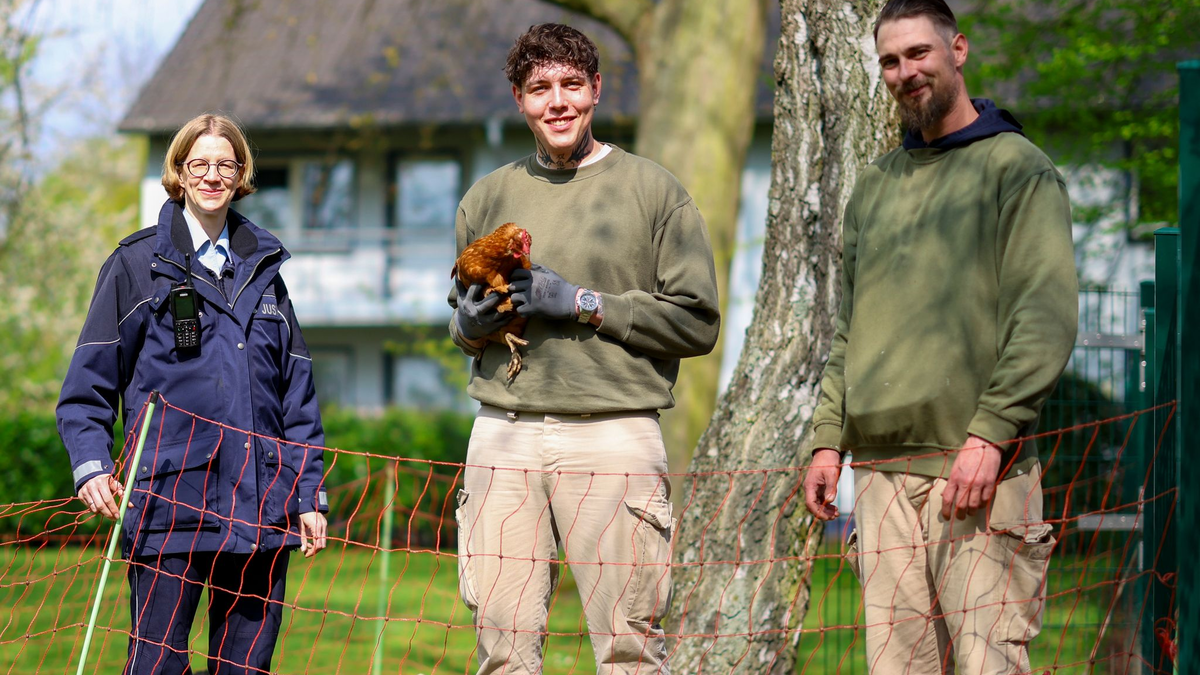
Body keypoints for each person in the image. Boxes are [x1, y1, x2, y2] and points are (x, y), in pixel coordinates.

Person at [800, 1, 1078, 672]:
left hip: (980, 473)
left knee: (990, 664)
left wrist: (992, 432)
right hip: (883, 479)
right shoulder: (875, 187)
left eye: (919, 53)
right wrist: (826, 438)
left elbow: (1045, 316)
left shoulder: (1018, 169)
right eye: (891, 61)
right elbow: (850, 329)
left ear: (958, 50)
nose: (905, 72)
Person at [447, 23, 720, 675]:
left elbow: (698, 322)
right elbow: (456, 322)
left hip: (614, 433)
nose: (558, 101)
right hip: (502, 434)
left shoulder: (653, 190)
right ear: (519, 98)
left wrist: (581, 303)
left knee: (629, 647)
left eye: (572, 84)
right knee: (502, 648)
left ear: (596, 90)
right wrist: (471, 322)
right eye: (540, 88)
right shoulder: (486, 197)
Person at [57, 113, 329, 675]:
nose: (212, 176)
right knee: (157, 667)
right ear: (178, 173)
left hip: (261, 511)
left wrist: (307, 494)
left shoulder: (266, 273)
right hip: (168, 507)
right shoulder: (135, 266)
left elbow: (296, 395)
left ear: (241, 174)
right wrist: (90, 465)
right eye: (198, 164)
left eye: (225, 164)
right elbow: (87, 388)